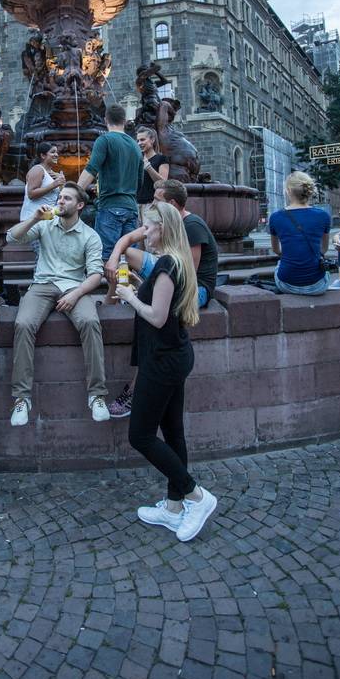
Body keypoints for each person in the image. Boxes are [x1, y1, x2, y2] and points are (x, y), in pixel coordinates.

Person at [114, 201, 217, 543]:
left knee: (140, 436)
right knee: (173, 433)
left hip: (162, 361)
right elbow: (167, 308)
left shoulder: (167, 264)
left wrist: (129, 295)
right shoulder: (175, 262)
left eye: (148, 227)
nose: (144, 233)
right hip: (174, 355)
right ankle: (174, 507)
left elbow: (156, 317)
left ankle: (196, 497)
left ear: (163, 228)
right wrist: (141, 287)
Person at [106, 177, 218, 418]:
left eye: (156, 200)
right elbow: (126, 241)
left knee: (152, 322)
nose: (151, 203)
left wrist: (142, 294)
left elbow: (187, 277)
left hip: (196, 288)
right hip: (170, 273)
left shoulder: (193, 227)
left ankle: (134, 390)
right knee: (130, 257)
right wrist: (114, 258)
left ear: (171, 205)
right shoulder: (164, 229)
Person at [6, 182, 109, 426]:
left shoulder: (90, 236)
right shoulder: (44, 224)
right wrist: (34, 218)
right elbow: (12, 237)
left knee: (91, 322)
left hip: (75, 286)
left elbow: (96, 274)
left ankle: (97, 395)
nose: (60, 201)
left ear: (80, 205)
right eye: (60, 197)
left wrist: (75, 295)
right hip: (42, 285)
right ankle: (22, 399)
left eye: (67, 199)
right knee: (22, 324)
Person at [77, 103, 143, 260]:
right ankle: (127, 285)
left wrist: (74, 192)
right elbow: (139, 182)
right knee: (129, 258)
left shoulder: (104, 140)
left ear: (106, 120)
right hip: (131, 208)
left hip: (110, 207)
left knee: (107, 258)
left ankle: (112, 285)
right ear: (125, 120)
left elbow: (91, 169)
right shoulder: (135, 146)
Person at [269, 171, 331, 295]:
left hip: (286, 284)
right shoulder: (323, 216)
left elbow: (276, 250)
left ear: (288, 191)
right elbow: (323, 250)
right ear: (308, 190)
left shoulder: (275, 217)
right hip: (317, 287)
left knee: (280, 264)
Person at [20, 142, 66, 222]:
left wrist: (62, 184)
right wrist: (54, 184)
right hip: (32, 220)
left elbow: (59, 198)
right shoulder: (37, 169)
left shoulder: (54, 174)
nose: (56, 155)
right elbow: (31, 194)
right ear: (43, 155)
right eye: (53, 152)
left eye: (56, 152)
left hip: (47, 219)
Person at [136, 126, 169, 216]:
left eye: (142, 140)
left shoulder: (161, 159)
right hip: (136, 205)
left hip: (152, 205)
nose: (139, 143)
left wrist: (149, 168)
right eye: (138, 141)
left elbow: (163, 183)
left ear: (152, 140)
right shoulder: (138, 160)